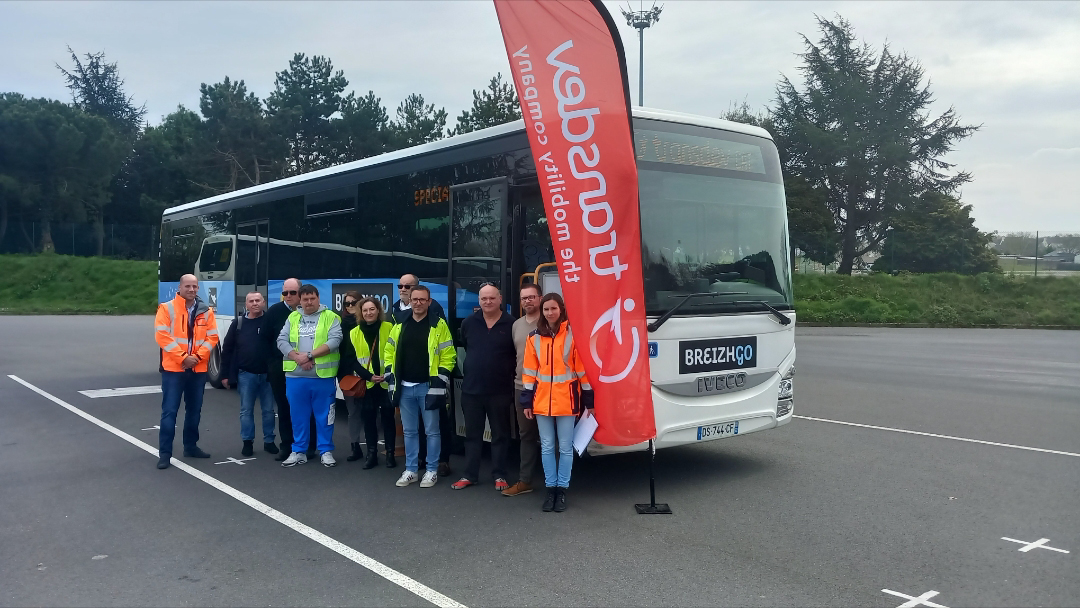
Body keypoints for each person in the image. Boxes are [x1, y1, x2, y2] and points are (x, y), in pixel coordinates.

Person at [520, 293, 593, 512]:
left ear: (561, 309)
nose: (550, 313)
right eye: (546, 310)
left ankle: (562, 489)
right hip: (542, 402)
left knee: (565, 448)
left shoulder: (573, 335)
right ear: (541, 312)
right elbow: (529, 373)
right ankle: (550, 489)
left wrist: (589, 399)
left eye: (553, 309)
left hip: (567, 401)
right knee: (547, 447)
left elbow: (582, 370)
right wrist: (526, 401)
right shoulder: (533, 338)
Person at [383, 285, 456, 488]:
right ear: (410, 300)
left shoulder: (438, 325)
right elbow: (389, 352)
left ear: (429, 302)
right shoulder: (399, 324)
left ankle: (431, 470)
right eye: (415, 299)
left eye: (423, 300)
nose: (418, 303)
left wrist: (439, 382)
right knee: (409, 431)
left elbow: (448, 356)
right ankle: (411, 470)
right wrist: (390, 375)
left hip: (428, 386)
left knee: (432, 431)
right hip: (404, 386)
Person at [452, 284, 516, 491]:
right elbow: (466, 345)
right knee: (472, 435)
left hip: (500, 391)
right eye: (483, 298)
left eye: (491, 298)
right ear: (479, 300)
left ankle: (499, 475)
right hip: (471, 390)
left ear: (500, 299)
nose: (487, 302)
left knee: (500, 435)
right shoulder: (469, 323)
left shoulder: (511, 323)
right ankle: (470, 475)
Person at [154, 274, 220, 469]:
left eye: (195, 287)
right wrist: (183, 357)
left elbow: (213, 337)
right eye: (188, 286)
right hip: (174, 369)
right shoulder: (166, 308)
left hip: (197, 369)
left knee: (194, 410)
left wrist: (196, 358)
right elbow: (162, 336)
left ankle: (190, 446)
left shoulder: (206, 311)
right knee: (169, 412)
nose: (191, 290)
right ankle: (165, 454)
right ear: (180, 287)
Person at [276, 284, 343, 468]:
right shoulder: (293, 317)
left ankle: (326, 451)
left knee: (325, 417)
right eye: (305, 299)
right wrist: (297, 357)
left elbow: (335, 340)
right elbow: (281, 340)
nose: (309, 302)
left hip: (323, 377)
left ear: (318, 298)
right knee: (298, 416)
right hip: (295, 377)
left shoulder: (331, 317)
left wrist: (310, 355)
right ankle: (298, 451)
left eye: (312, 298)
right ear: (300, 300)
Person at [220, 291, 278, 457]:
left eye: (258, 300)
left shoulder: (269, 322)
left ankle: (269, 441)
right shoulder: (238, 324)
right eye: (251, 301)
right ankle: (247, 442)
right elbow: (228, 349)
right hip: (246, 374)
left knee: (268, 410)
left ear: (264, 302)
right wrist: (225, 374)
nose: (255, 303)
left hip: (267, 375)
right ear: (246, 305)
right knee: (246, 410)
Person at [264, 278, 315, 462]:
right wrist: (272, 365)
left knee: (307, 408)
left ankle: (310, 446)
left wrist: (308, 358)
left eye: (293, 293)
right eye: (285, 293)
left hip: (308, 367)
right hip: (280, 369)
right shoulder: (274, 312)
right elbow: (266, 340)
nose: (288, 296)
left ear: (301, 293)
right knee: (284, 409)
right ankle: (287, 445)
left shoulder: (311, 313)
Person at [502, 283, 543, 496]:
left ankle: (555, 483)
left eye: (531, 297)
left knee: (549, 436)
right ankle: (525, 480)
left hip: (548, 388)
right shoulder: (516, 325)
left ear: (540, 298)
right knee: (526, 434)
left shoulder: (550, 322)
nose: (527, 301)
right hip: (521, 387)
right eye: (524, 298)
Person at [348, 296, 396, 469]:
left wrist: (387, 374)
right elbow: (351, 360)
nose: (369, 313)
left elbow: (396, 353)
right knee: (368, 420)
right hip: (366, 383)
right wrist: (369, 376)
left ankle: (390, 454)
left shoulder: (390, 328)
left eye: (372, 309)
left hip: (386, 381)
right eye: (365, 310)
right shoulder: (354, 332)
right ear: (361, 312)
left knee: (388, 419)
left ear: (378, 311)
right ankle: (372, 454)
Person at [337, 290, 363, 462]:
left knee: (369, 411)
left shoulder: (368, 322)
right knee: (353, 411)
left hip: (368, 373)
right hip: (347, 373)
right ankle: (355, 446)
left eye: (354, 303)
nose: (351, 306)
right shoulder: (341, 324)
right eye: (347, 303)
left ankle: (374, 448)